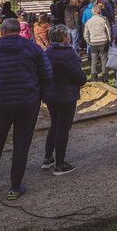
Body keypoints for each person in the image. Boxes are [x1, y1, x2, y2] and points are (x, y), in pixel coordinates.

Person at [0, 18, 52, 200]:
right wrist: (39, 96)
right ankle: (15, 186)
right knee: (21, 144)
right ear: (20, 30)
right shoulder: (32, 48)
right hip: (26, 102)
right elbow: (47, 74)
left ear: (2, 31)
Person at [41, 24, 86, 176]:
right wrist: (82, 78)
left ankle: (48, 158)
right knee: (63, 128)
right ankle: (60, 163)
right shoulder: (68, 54)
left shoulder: (47, 51)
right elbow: (79, 77)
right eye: (67, 35)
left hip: (51, 94)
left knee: (54, 124)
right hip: (66, 95)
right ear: (63, 37)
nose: (69, 37)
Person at [84, 3, 112, 82]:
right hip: (103, 42)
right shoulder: (104, 19)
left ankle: (93, 78)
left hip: (93, 43)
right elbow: (108, 30)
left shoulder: (88, 21)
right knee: (104, 59)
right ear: (99, 11)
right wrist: (109, 39)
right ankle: (105, 77)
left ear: (93, 12)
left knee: (94, 60)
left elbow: (85, 34)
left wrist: (89, 42)